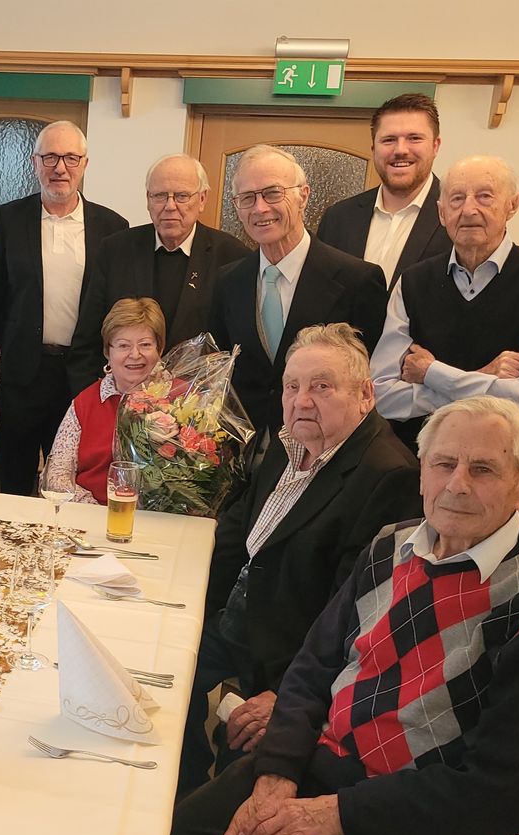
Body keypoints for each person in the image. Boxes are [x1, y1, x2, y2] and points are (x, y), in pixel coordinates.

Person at [170, 396, 519, 835]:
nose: (457, 484)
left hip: (417, 819)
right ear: (422, 473)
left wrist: (333, 814)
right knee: (172, 830)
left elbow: (506, 790)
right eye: (443, 463)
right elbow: (311, 670)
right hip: (317, 769)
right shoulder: (389, 546)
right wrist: (276, 775)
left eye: (483, 469)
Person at [176, 323, 421, 796]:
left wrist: (290, 695)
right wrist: (175, 590)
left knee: (239, 769)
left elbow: (354, 617)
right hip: (241, 618)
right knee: (149, 672)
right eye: (293, 386)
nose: (302, 400)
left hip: (288, 655)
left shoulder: (387, 477)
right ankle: (177, 788)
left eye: (322, 387)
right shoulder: (293, 445)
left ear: (366, 394)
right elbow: (238, 531)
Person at [370, 155, 519, 524]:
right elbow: (382, 396)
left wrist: (432, 373)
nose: (469, 210)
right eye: (457, 198)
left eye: (485, 196)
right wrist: (485, 376)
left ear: (513, 205)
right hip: (418, 477)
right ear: (441, 210)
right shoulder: (413, 282)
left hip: (502, 481)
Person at [0, 121, 129, 495]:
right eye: (50, 157)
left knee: (73, 485)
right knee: (14, 481)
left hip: (82, 377)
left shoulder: (113, 227)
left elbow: (115, 309)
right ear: (35, 162)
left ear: (84, 164)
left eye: (70, 157)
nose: (59, 167)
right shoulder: (9, 217)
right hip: (21, 376)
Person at [210, 145, 386, 441]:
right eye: (247, 198)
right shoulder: (228, 281)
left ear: (303, 195)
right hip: (246, 451)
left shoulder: (358, 280)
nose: (260, 208)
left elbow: (371, 380)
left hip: (326, 448)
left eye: (272, 193)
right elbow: (221, 371)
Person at [67, 155, 250, 391]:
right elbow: (87, 342)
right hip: (120, 400)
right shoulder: (115, 250)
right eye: (160, 195)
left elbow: (237, 351)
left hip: (197, 410)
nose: (170, 205)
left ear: (202, 199)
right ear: (147, 199)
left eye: (182, 196)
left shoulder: (232, 257)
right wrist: (95, 403)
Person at [316, 93, 452, 288]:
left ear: (435, 146)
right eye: (389, 140)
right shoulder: (338, 218)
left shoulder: (458, 218)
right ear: (373, 148)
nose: (400, 150)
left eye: (414, 138)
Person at [46, 298, 166, 504]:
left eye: (145, 345)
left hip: (162, 522)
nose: (135, 355)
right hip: (91, 517)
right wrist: (93, 510)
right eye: (123, 345)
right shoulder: (86, 402)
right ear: (107, 352)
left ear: (160, 349)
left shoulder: (182, 399)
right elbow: (56, 474)